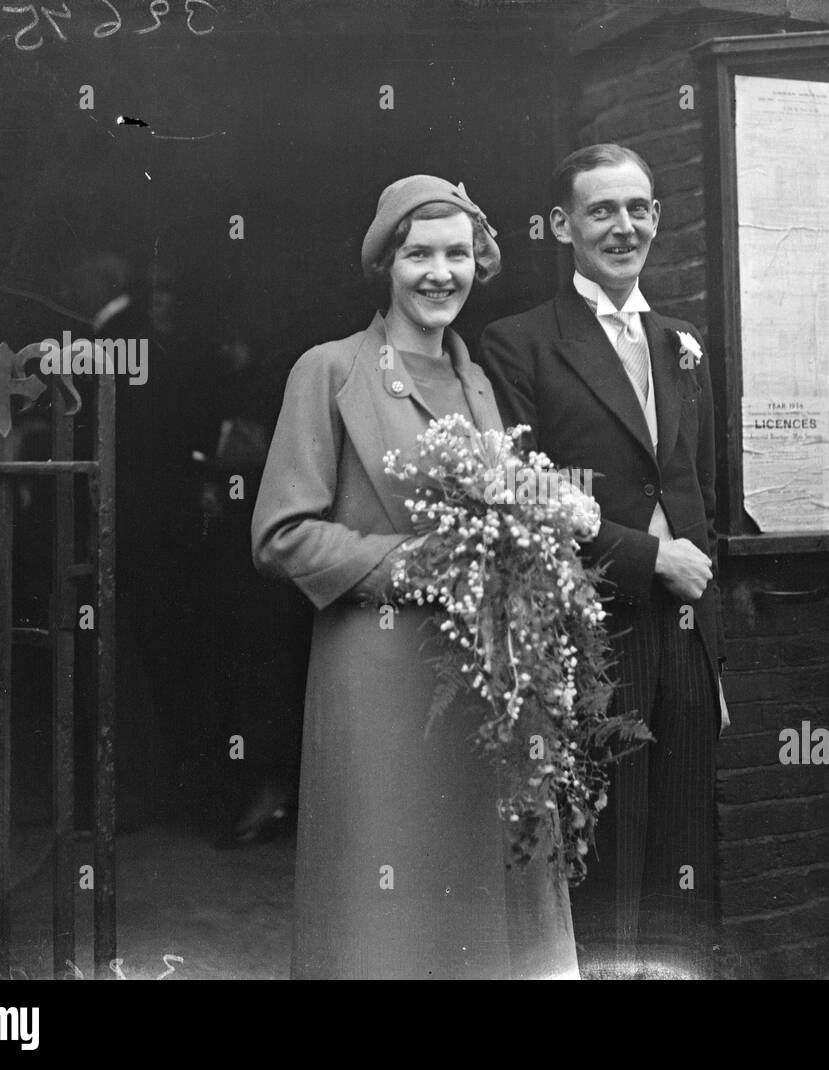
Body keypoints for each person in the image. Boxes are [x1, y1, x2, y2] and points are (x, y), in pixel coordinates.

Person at [250, 175, 579, 979]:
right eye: (419, 254)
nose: (441, 274)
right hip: (381, 674)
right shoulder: (329, 372)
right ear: (386, 265)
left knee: (481, 889)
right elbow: (280, 533)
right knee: (385, 885)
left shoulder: (479, 382)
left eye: (458, 255)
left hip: (482, 677)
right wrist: (415, 565)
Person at [478, 144, 728, 978]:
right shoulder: (519, 344)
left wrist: (710, 649)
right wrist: (649, 557)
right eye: (601, 211)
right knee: (608, 856)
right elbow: (521, 494)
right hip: (594, 631)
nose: (625, 227)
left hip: (687, 634)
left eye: (639, 208)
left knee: (686, 851)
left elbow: (697, 489)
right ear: (562, 227)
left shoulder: (682, 341)